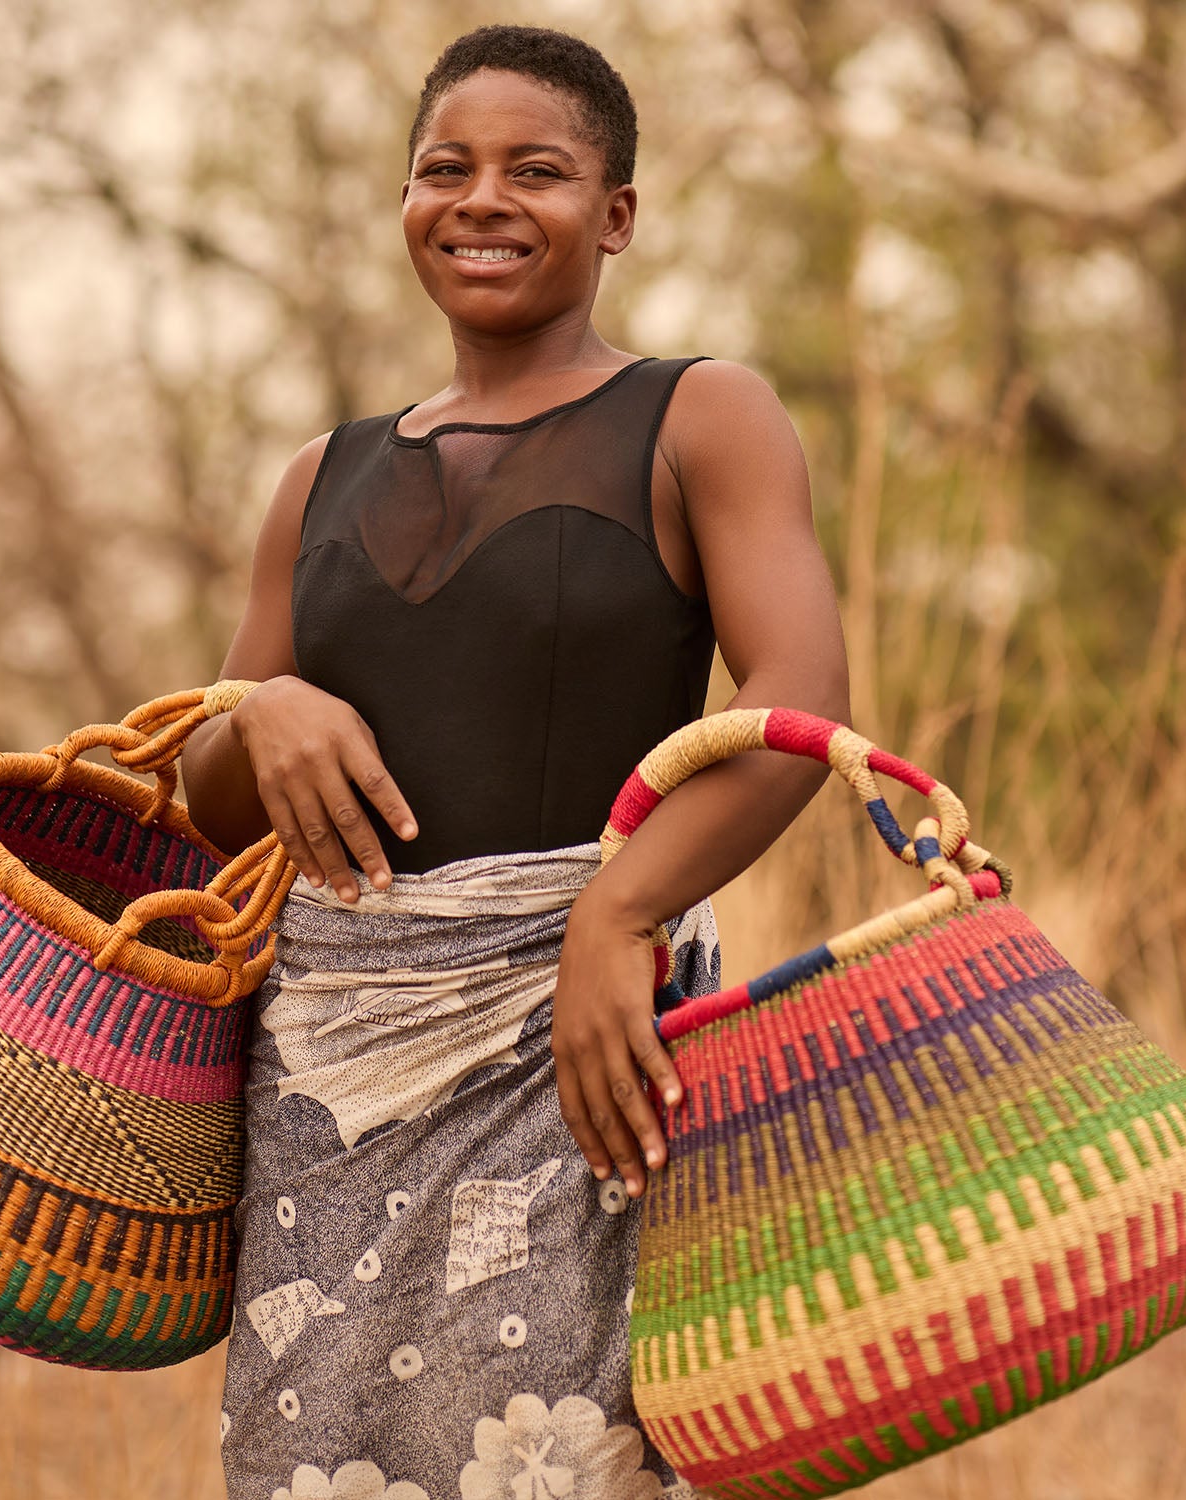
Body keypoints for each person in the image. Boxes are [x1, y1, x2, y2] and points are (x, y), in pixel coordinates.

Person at [183, 24, 849, 1500]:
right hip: (333, 1084)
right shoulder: (323, 473)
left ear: (616, 215)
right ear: (407, 201)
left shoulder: (700, 415)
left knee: (566, 1456)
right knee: (315, 1459)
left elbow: (801, 703)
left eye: (535, 170)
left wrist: (617, 920)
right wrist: (264, 705)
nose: (481, 198)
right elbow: (209, 789)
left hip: (584, 1044)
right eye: (446, 168)